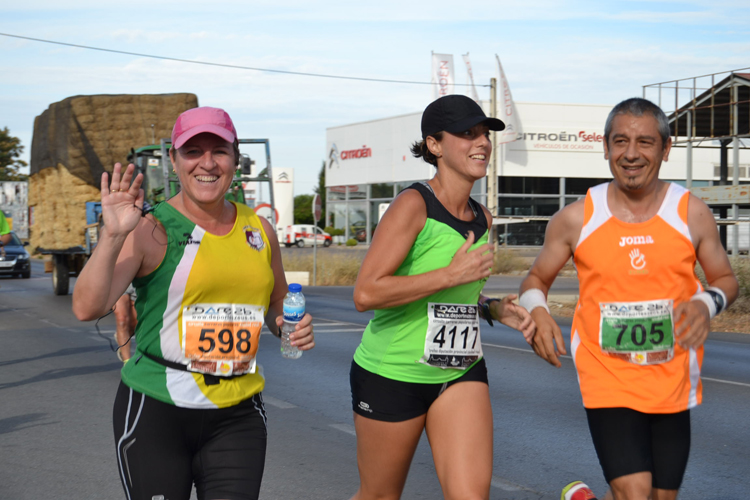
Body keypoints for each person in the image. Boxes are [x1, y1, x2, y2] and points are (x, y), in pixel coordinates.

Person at [72, 106, 315, 500]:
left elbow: (275, 301)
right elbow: (86, 307)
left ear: (236, 159)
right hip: (157, 409)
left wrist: (288, 324)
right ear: (174, 160)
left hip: (237, 411)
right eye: (192, 151)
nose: (207, 163)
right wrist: (113, 235)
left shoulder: (259, 228)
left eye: (219, 150)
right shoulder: (150, 228)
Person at [518, 98, 739, 500]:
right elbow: (536, 277)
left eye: (645, 142)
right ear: (605, 147)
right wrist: (538, 309)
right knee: (635, 492)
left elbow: (725, 279)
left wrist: (707, 304)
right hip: (608, 376)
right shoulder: (576, 218)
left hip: (671, 378)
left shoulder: (691, 213)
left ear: (665, 149)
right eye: (620, 141)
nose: (631, 154)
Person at [350, 94, 535, 500]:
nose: (482, 142)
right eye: (467, 134)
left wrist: (492, 308)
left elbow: (459, 291)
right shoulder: (413, 206)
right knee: (379, 495)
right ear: (434, 145)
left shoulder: (482, 216)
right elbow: (365, 293)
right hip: (393, 373)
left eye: (484, 134)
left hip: (459, 370)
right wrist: (449, 273)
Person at [113, 285, 137, 362]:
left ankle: (122, 338)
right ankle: (127, 362)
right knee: (122, 320)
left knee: (136, 325)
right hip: (118, 278)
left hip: (137, 281)